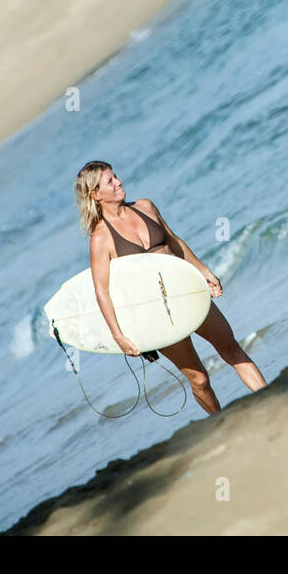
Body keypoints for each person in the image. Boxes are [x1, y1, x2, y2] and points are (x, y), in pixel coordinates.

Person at [73, 161, 267, 414]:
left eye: (116, 176)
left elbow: (174, 242)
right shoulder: (101, 238)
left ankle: (271, 397)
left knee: (230, 347)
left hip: (186, 292)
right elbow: (102, 290)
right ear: (96, 194)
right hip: (157, 315)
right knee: (199, 379)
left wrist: (204, 271)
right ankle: (221, 422)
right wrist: (118, 335)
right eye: (110, 181)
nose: (119, 182)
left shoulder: (145, 207)